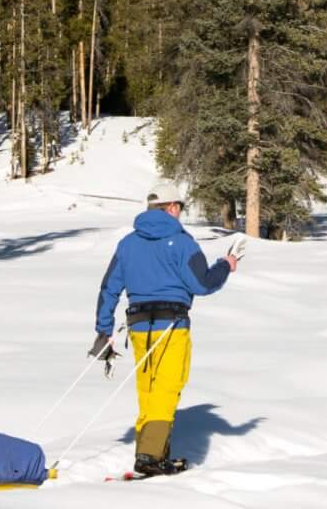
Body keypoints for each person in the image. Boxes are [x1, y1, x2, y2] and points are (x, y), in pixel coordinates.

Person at [91, 187, 242, 476]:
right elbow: (202, 284)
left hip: (137, 326)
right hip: (172, 325)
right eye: (180, 208)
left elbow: (109, 288)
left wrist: (104, 329)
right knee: (167, 389)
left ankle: (150, 452)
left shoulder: (127, 243)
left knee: (148, 391)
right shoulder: (182, 242)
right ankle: (151, 456)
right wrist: (226, 265)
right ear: (172, 207)